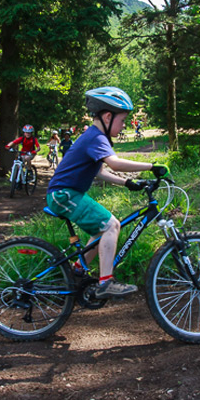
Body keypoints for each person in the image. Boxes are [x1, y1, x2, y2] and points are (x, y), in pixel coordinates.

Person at [46, 87, 169, 298]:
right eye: (122, 121)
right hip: (64, 194)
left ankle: (77, 270)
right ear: (108, 116)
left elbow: (101, 171)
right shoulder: (96, 137)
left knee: (101, 231)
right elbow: (115, 163)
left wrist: (127, 183)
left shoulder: (94, 136)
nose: (123, 126)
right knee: (112, 225)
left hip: (67, 194)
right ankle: (106, 283)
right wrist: (151, 166)